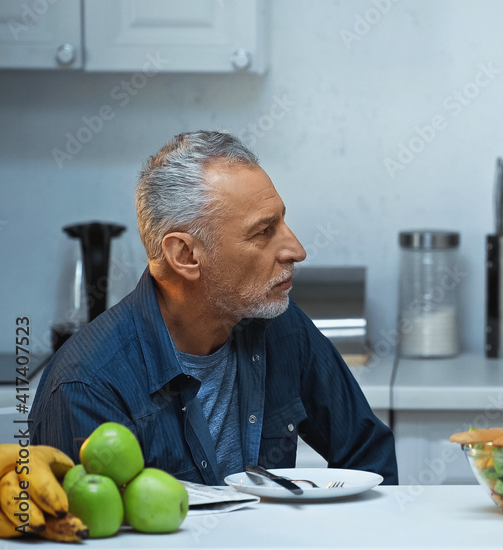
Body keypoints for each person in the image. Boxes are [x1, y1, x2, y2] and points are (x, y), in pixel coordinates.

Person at [29, 131, 399, 485]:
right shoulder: (85, 387)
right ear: (185, 255)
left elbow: (369, 458)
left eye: (282, 221)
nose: (296, 250)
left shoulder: (279, 325)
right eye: (263, 232)